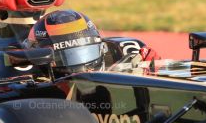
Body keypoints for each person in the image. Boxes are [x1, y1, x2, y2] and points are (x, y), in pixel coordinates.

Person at [26, 9, 160, 77]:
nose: (87, 69)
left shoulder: (128, 51)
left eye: (87, 52)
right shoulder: (24, 72)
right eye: (67, 56)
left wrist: (153, 70)